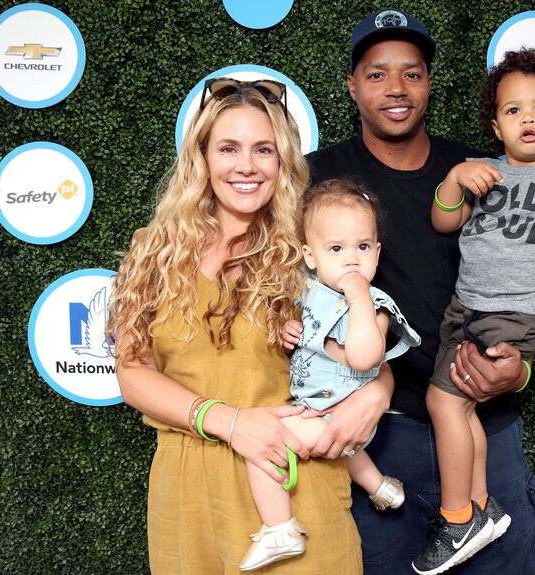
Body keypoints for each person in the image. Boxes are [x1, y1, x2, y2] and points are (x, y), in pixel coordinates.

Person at [306, 8, 535, 574]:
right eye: (376, 73)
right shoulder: (315, 178)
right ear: (351, 86)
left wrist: (521, 371)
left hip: (484, 425)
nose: (396, 88)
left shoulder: (482, 173)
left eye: (412, 73)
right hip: (379, 441)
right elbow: (281, 296)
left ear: (430, 83)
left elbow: (528, 292)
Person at [109, 77, 361, 574]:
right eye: (228, 148)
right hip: (190, 494)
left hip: (293, 484)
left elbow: (369, 341)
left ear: (283, 160)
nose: (246, 166)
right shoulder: (153, 248)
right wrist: (230, 421)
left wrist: (375, 396)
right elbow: (131, 372)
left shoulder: (312, 248)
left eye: (263, 149)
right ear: (201, 157)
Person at [417, 48, 535, 573]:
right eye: (513, 110)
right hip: (465, 309)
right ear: (496, 125)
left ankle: (457, 519)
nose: (528, 118)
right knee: (459, 408)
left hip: (513, 315)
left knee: (442, 405)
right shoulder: (484, 173)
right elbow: (443, 222)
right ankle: (480, 509)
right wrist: (456, 178)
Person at [240, 178, 420, 570]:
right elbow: (304, 327)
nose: (351, 259)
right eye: (336, 249)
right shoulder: (307, 290)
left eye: (362, 247)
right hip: (317, 402)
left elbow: (363, 356)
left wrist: (358, 298)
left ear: (377, 251)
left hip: (342, 411)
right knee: (346, 453)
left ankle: (279, 527)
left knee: (265, 449)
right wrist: (289, 328)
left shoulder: (376, 304)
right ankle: (381, 486)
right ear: (310, 255)